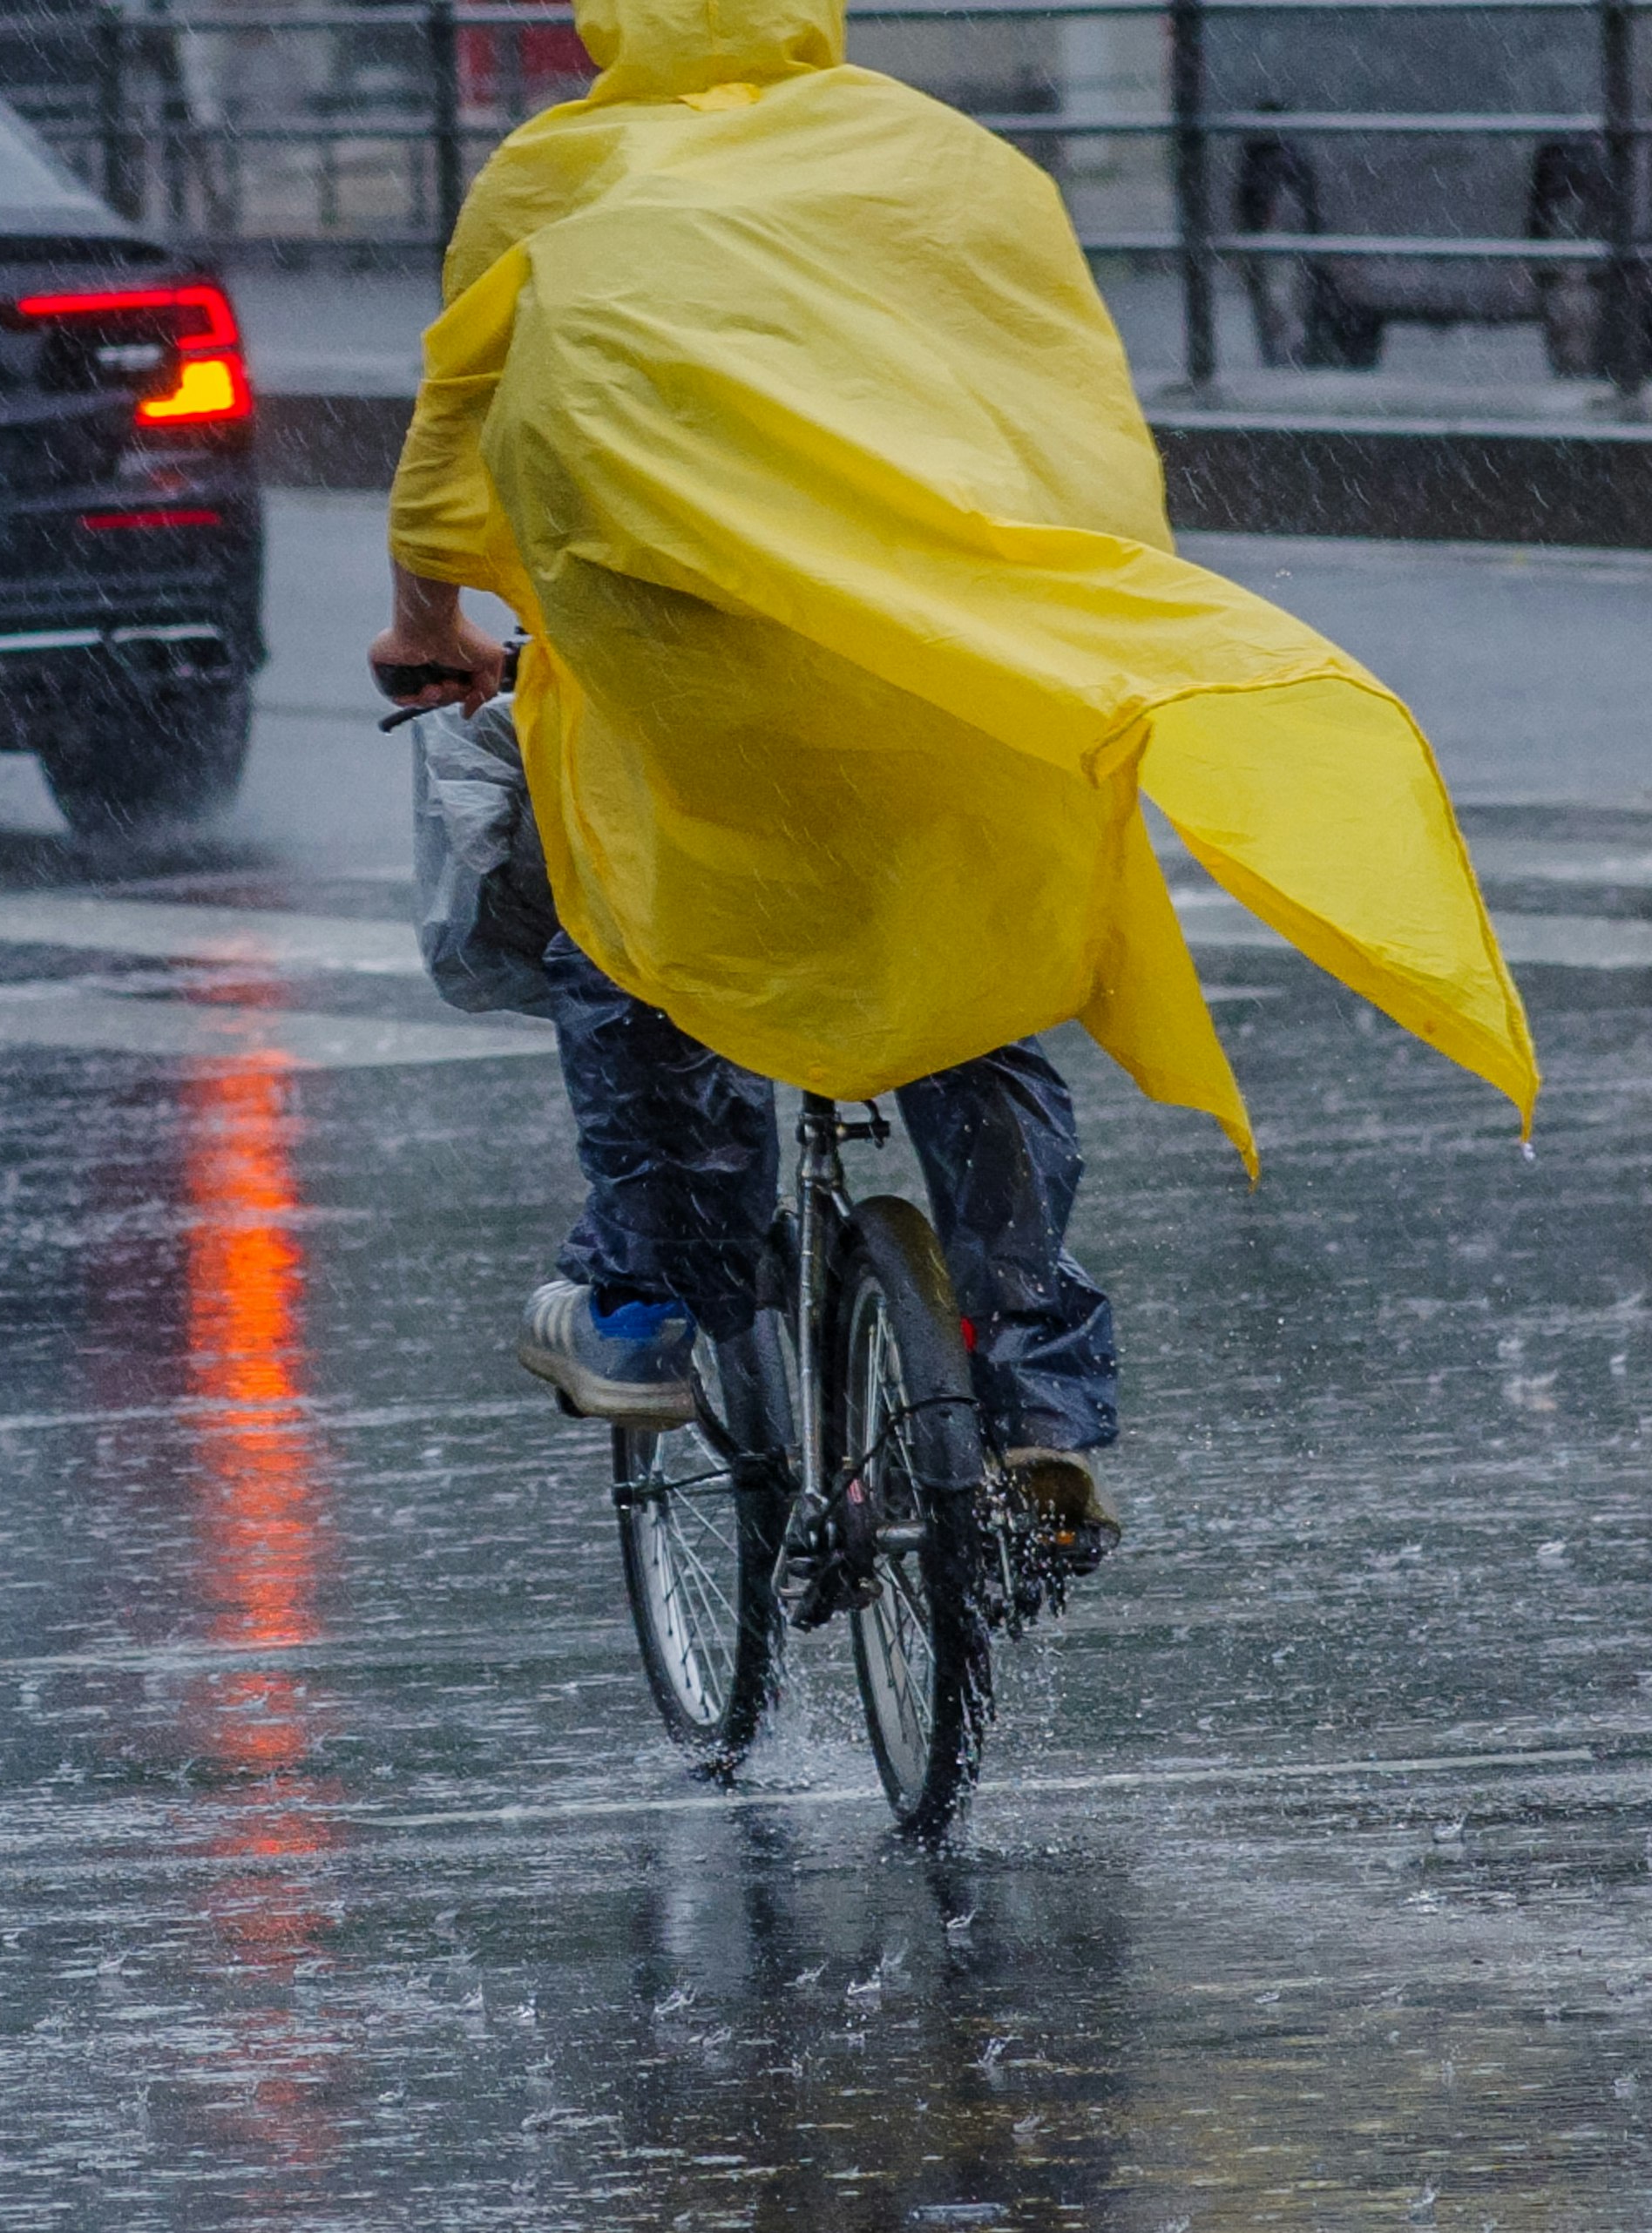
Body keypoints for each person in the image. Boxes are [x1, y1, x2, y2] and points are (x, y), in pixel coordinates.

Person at [373, 0, 1540, 1573]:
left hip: (696, 669)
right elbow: (1062, 415)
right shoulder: (952, 165)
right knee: (967, 980)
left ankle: (647, 1305)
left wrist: (430, 624)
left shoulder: (562, 166)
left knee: (632, 936)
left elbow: (458, 434)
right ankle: (1039, 1400)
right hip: (932, 662)